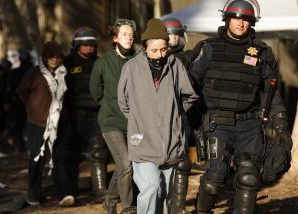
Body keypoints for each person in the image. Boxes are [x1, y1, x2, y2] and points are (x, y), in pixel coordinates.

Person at [189, 0, 292, 213]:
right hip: (219, 124)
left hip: (250, 126)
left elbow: (271, 93)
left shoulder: (262, 52)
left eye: (246, 19)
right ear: (226, 18)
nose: (241, 23)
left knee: (248, 177)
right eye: (236, 17)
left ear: (252, 22)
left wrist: (281, 125)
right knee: (213, 180)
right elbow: (190, 86)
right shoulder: (208, 48)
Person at [117, 18, 198, 214]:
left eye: (163, 49)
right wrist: (140, 119)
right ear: (145, 48)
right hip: (142, 142)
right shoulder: (131, 68)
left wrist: (175, 116)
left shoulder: (175, 65)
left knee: (164, 193)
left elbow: (190, 95)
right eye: (154, 50)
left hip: (170, 143)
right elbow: (123, 102)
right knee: (151, 187)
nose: (159, 55)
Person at [18, 41, 75, 207]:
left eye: (58, 57)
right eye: (51, 57)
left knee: (60, 158)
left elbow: (69, 97)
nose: (54, 60)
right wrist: (32, 107)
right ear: (44, 58)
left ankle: (64, 193)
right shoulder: (34, 74)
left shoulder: (65, 74)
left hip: (60, 124)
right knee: (38, 158)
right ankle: (33, 193)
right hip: (37, 123)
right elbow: (22, 91)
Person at [90, 19, 137, 214]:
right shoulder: (103, 62)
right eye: (125, 34)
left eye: (131, 34)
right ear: (116, 38)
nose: (130, 37)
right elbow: (95, 91)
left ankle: (109, 200)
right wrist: (109, 106)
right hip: (110, 121)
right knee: (126, 164)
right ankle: (128, 207)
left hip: (133, 122)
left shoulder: (138, 59)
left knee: (126, 165)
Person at [162, 17, 206, 214]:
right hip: (159, 118)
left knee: (182, 163)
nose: (173, 40)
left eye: (175, 36)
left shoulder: (188, 58)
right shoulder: (152, 59)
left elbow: (193, 90)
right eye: (169, 36)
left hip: (182, 116)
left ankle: (177, 207)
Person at [64, 26, 109, 201]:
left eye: (92, 45)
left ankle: (99, 190)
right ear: (77, 46)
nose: (90, 48)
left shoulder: (100, 62)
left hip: (96, 116)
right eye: (86, 45)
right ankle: (71, 190)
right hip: (74, 116)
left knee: (98, 152)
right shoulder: (67, 63)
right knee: (72, 154)